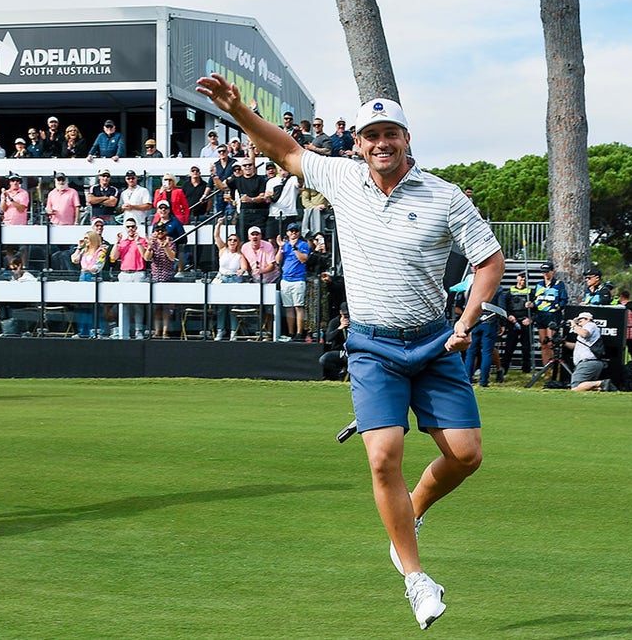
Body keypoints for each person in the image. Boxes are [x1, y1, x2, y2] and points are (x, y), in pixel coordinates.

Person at [197, 75, 504, 630]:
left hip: (435, 341)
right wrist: (240, 110)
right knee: (383, 455)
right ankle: (415, 578)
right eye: (371, 136)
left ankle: (411, 513)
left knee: (466, 455)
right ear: (358, 144)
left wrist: (466, 321)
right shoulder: (341, 178)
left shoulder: (445, 195)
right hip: (372, 346)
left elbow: (489, 260)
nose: (381, 143)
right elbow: (285, 149)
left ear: (407, 139)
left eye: (391, 133)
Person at [110, 217, 151, 338]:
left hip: (138, 272)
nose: (131, 229)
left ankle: (139, 331)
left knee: (138, 304)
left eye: (133, 226)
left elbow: (145, 256)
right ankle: (124, 331)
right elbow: (113, 257)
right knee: (124, 304)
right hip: (124, 273)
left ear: (136, 228)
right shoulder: (122, 242)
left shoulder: (142, 240)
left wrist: (138, 242)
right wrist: (117, 242)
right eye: (128, 226)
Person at [275, 222, 309, 341]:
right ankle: (290, 332)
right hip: (286, 279)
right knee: (289, 307)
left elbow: (304, 259)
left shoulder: (303, 244)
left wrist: (294, 248)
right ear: (287, 233)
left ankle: (299, 333)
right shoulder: (285, 245)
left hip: (298, 279)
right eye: (291, 231)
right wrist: (280, 247)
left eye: (295, 231)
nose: (293, 233)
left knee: (298, 306)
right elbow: (278, 261)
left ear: (298, 233)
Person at [533, 261, 568, 370]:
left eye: (547, 272)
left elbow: (564, 299)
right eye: (543, 272)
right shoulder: (539, 285)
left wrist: (558, 307)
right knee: (543, 343)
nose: (545, 274)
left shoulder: (559, 284)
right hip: (540, 315)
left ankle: (554, 368)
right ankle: (545, 369)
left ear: (552, 271)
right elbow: (534, 299)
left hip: (552, 316)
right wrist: (531, 304)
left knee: (551, 343)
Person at [566, 311, 614, 391]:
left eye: (580, 321)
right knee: (585, 387)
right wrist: (563, 343)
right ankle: (605, 387)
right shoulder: (588, 328)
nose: (579, 324)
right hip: (590, 363)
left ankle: (602, 383)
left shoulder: (590, 325)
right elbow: (577, 346)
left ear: (587, 319)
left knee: (575, 387)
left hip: (588, 363)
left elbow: (584, 334)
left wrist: (574, 325)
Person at [211, 222, 243, 341]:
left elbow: (244, 267)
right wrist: (218, 224)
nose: (232, 242)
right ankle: (220, 330)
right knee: (221, 307)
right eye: (230, 240)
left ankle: (233, 331)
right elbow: (216, 236)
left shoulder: (240, 254)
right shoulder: (223, 250)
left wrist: (242, 270)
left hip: (234, 279)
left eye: (235, 240)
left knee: (233, 308)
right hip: (222, 278)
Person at [500, 272, 534, 379]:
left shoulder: (530, 292)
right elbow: (504, 307)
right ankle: (504, 368)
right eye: (521, 278)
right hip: (513, 322)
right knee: (509, 346)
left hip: (525, 322)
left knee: (526, 347)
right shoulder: (509, 292)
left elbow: (536, 308)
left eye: (525, 278)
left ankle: (526, 369)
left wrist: (530, 319)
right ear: (517, 278)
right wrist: (509, 316)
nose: (523, 280)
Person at [148, 222, 177, 339]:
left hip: (167, 277)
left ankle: (165, 331)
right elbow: (146, 257)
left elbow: (172, 257)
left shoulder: (171, 242)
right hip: (155, 277)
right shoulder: (153, 243)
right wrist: (149, 246)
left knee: (165, 307)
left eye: (162, 230)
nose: (160, 232)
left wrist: (165, 247)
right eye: (157, 230)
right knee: (157, 307)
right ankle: (156, 330)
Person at [319, 302, 350, 380]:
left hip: (352, 351)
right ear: (340, 312)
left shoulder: (355, 322)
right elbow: (328, 338)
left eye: (348, 315)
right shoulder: (335, 322)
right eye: (345, 315)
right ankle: (341, 372)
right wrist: (340, 328)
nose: (346, 317)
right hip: (339, 352)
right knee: (324, 359)